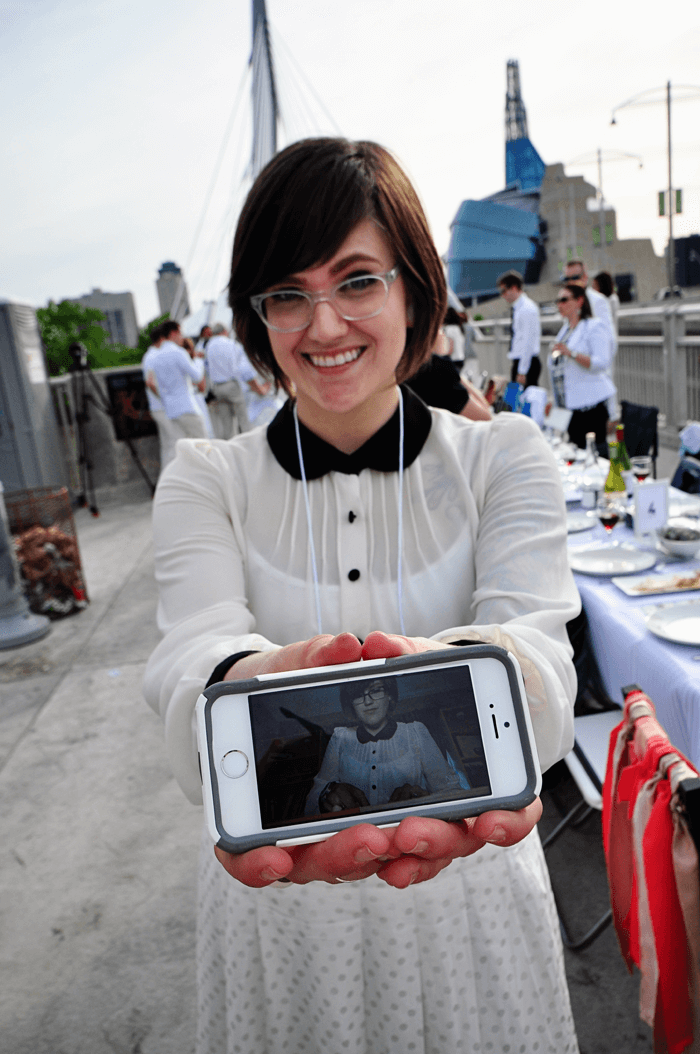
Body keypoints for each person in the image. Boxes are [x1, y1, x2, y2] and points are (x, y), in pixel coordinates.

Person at [144, 137, 580, 1054]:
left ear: (415, 287)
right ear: (258, 315)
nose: (324, 324)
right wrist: (258, 673)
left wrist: (438, 678)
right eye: (288, 294)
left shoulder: (504, 458)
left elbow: (537, 649)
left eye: (356, 281)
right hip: (279, 905)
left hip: (474, 892)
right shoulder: (205, 479)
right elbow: (192, 656)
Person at [306, 676, 462, 815]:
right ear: (351, 704)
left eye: (376, 690)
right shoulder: (340, 737)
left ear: (389, 695)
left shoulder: (415, 731)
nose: (368, 701)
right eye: (358, 695)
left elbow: (452, 791)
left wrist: (422, 799)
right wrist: (327, 794)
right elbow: (313, 799)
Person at [549, 282, 616, 455]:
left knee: (596, 455)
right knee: (576, 454)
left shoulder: (594, 326)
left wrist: (571, 354)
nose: (559, 305)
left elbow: (601, 363)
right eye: (557, 301)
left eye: (564, 300)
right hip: (570, 407)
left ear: (579, 301)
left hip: (590, 408)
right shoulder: (565, 330)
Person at [147, 320, 207, 456]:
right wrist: (198, 360)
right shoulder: (178, 352)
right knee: (203, 446)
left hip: (171, 411)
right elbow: (197, 376)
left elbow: (154, 385)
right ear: (174, 333)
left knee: (185, 452)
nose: (182, 337)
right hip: (187, 408)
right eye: (181, 333)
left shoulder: (156, 356)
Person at [204, 323, 262, 437]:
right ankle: (248, 443)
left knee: (227, 424)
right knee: (243, 419)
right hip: (231, 384)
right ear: (224, 331)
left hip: (217, 387)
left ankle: (232, 447)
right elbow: (243, 368)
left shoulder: (208, 346)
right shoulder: (231, 344)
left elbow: (206, 368)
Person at [141, 323, 180, 470]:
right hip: (162, 408)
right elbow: (151, 383)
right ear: (163, 338)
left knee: (167, 446)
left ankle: (168, 481)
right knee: (173, 444)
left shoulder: (149, 356)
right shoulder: (154, 356)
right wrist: (167, 399)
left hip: (158, 407)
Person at [497, 269, 542, 387]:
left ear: (514, 287)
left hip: (526, 363)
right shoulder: (519, 308)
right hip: (522, 362)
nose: (503, 295)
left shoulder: (527, 309)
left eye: (504, 291)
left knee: (524, 401)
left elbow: (528, 340)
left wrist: (522, 370)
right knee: (519, 400)